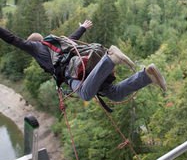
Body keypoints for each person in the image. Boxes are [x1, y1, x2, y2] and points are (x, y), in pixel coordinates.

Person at [0, 20, 167, 102]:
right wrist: (83, 28)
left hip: (73, 73)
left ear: (32, 43)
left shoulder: (35, 48)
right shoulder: (56, 43)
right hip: (86, 67)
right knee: (115, 94)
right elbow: (72, 39)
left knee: (86, 94)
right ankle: (147, 75)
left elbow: (12, 39)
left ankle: (110, 58)